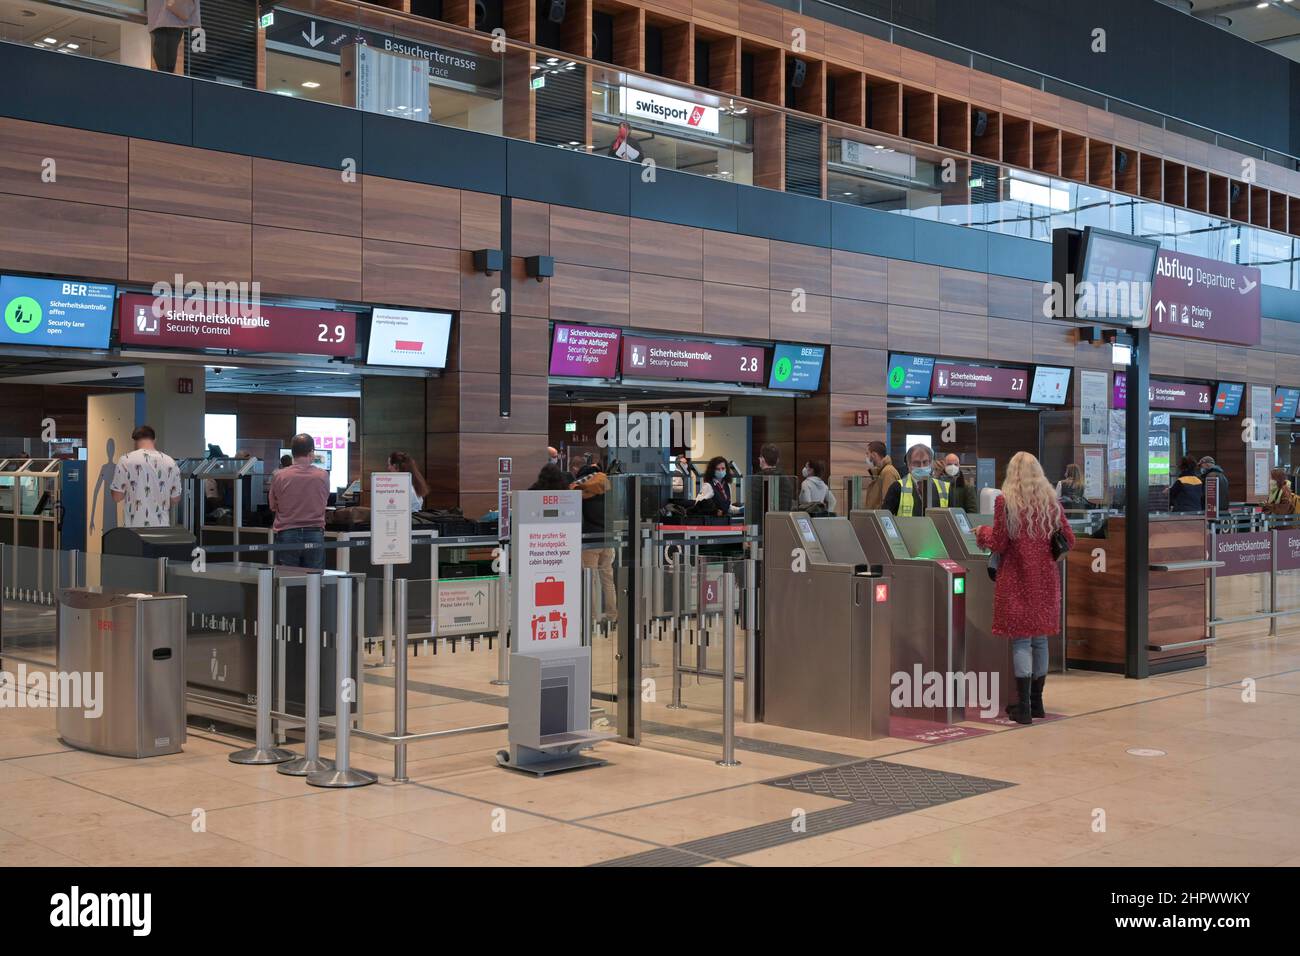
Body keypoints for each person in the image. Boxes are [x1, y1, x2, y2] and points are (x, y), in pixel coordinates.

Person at [975, 451, 1075, 725]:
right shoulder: (1051, 503)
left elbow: (999, 542)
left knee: (1021, 640)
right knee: (1040, 639)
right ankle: (1037, 703)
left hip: (1017, 578)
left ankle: (1023, 708)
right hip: (1045, 580)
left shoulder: (1005, 502)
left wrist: (981, 533)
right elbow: (1069, 538)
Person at [268, 433, 329, 568]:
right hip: (315, 534)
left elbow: (272, 505)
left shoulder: (279, 476)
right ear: (311, 452)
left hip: (287, 533)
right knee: (314, 580)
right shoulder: (322, 475)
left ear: (292, 453)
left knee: (287, 582)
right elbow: (324, 501)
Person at [572, 459, 617, 624]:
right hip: (608, 539)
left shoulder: (581, 494)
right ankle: (612, 616)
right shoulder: (607, 488)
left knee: (590, 581)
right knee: (608, 579)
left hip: (590, 541)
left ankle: (591, 619)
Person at [110, 425, 181, 528]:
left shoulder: (125, 460)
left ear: (135, 440)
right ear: (154, 440)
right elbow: (175, 499)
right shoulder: (170, 462)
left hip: (134, 528)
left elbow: (117, 497)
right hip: (162, 527)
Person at [884, 443, 951, 517]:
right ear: (909, 465)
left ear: (931, 463)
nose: (921, 466)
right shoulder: (897, 487)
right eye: (917, 463)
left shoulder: (945, 487)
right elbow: (885, 518)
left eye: (925, 462)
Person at [755, 443, 795, 511]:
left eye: (760, 457)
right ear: (777, 460)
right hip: (783, 519)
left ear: (762, 459)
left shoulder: (757, 478)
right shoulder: (786, 478)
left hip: (764, 520)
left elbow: (754, 506)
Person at [863, 440, 900, 511]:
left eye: (867, 454)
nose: (866, 457)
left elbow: (888, 504)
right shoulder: (881, 472)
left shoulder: (888, 472)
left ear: (874, 455)